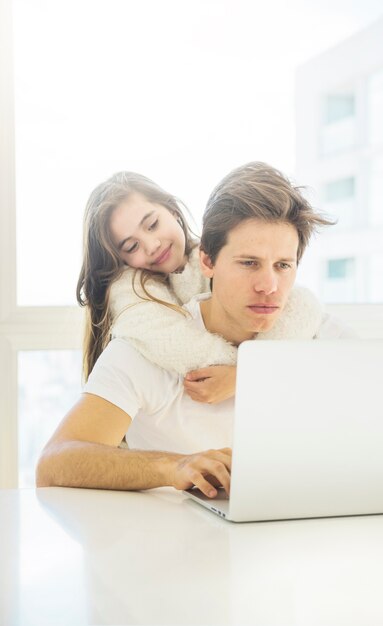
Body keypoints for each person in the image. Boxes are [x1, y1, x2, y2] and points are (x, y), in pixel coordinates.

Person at [36, 162, 354, 497]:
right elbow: (54, 464)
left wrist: (253, 374)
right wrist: (173, 466)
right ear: (207, 261)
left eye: (283, 265)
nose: (269, 286)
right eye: (248, 263)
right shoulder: (146, 342)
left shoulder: (313, 327)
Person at [77, 171, 326, 404]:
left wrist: (245, 375)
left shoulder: (218, 254)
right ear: (120, 261)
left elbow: (302, 306)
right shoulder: (131, 293)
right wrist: (241, 372)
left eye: (152, 224)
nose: (152, 245)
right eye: (132, 247)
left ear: (173, 211)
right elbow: (173, 342)